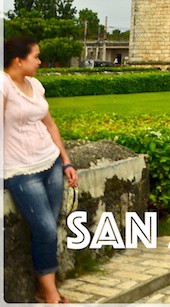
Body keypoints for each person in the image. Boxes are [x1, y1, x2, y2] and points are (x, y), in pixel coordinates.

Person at [3, 36, 78, 304]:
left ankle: (44, 287)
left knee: (50, 225)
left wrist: (66, 161)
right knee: (45, 229)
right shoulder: (4, 85)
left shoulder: (35, 84)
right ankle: (50, 294)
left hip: (50, 162)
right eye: (35, 56)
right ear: (18, 60)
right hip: (22, 170)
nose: (39, 61)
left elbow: (51, 125)